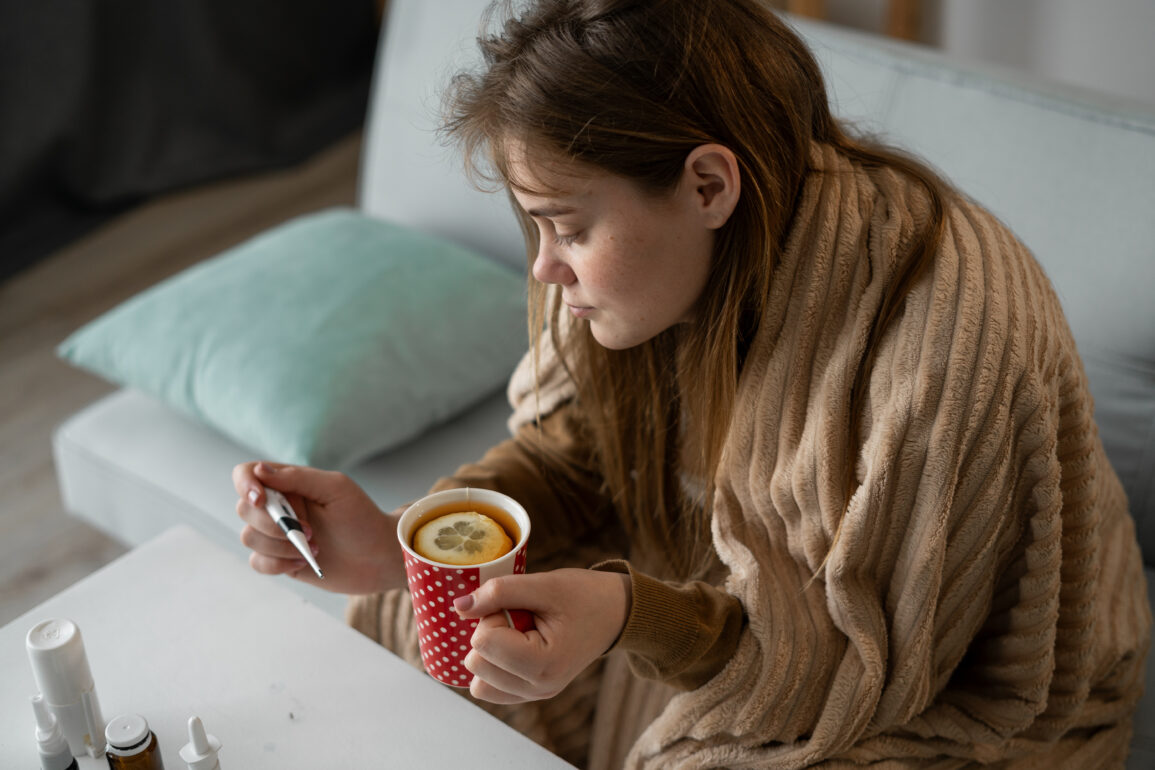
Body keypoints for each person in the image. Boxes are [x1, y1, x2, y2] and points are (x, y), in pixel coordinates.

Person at [232, 1, 1151, 767]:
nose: (545, 271)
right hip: (719, 579)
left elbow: (868, 665)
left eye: (566, 227)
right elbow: (575, 451)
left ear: (709, 185)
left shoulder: (941, 349)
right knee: (405, 619)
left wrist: (638, 613)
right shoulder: (636, 276)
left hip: (932, 677)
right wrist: (410, 547)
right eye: (533, 227)